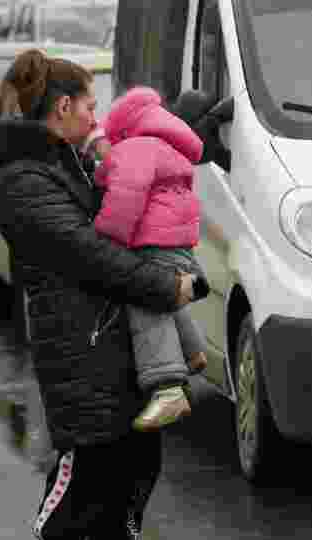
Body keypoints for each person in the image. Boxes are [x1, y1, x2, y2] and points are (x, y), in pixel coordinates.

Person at [0, 50, 199, 539]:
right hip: (81, 358)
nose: (97, 117)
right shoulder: (24, 179)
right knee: (80, 495)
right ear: (63, 106)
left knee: (131, 478)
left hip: (110, 350)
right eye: (91, 105)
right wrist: (166, 287)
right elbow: (90, 254)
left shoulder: (64, 162)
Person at [89, 86, 210, 432]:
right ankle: (192, 352)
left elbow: (126, 196)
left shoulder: (137, 148)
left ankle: (167, 387)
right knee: (168, 300)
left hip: (152, 243)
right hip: (175, 245)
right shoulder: (166, 147)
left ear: (123, 129)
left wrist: (105, 237)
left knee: (147, 306)